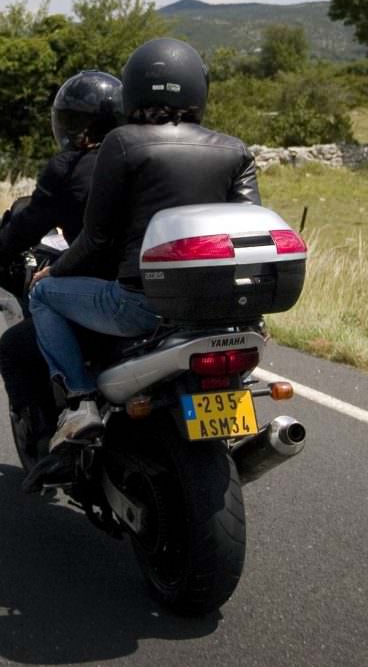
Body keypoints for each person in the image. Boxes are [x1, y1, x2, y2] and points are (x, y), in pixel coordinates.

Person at [28, 38, 260, 452]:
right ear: (198, 88)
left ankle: (80, 404)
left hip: (142, 305)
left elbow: (96, 239)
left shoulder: (122, 142)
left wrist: (56, 270)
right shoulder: (234, 150)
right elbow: (245, 228)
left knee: (44, 295)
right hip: (221, 310)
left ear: (132, 88)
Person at [0, 71, 123, 453]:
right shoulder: (145, 158)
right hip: (164, 294)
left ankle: (57, 431)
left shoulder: (70, 167)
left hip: (110, 298)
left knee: (14, 345)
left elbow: (29, 224)